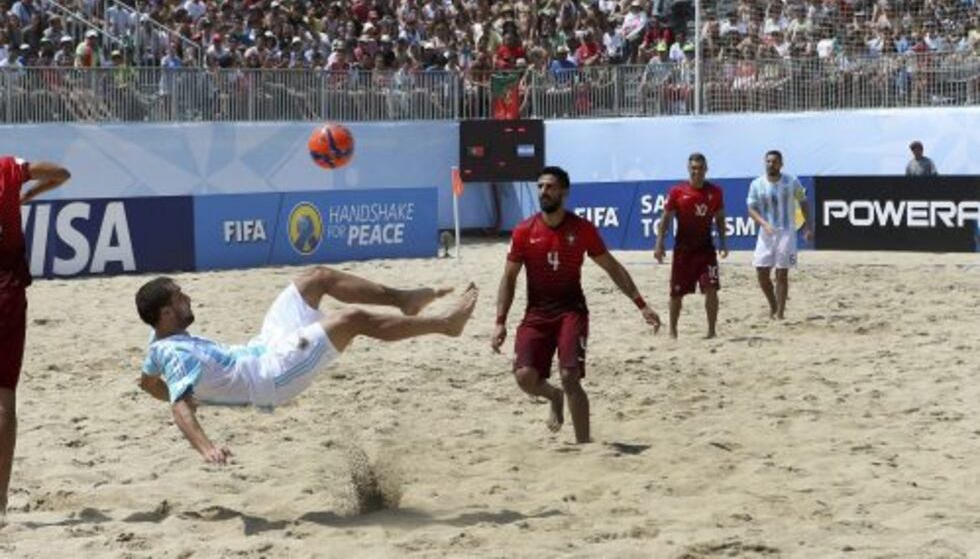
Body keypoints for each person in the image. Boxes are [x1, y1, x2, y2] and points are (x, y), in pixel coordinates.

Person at [136, 270, 478, 464]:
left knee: (317, 278)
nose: (188, 299)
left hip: (263, 344)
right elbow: (179, 407)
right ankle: (446, 324)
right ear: (166, 313)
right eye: (180, 297)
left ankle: (404, 297)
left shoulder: (158, 343)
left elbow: (148, 383)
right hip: (274, 372)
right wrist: (206, 447)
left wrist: (200, 396)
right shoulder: (177, 355)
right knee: (351, 318)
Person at [490, 166, 661, 444]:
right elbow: (509, 278)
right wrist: (500, 321)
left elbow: (612, 267)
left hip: (571, 311)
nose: (544, 192)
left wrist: (641, 304)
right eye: (541, 187)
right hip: (537, 313)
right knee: (524, 377)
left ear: (564, 192)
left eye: (550, 187)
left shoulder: (581, 229)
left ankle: (585, 446)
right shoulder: (524, 231)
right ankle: (553, 396)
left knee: (570, 375)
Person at [0, 156, 71, 517]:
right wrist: (28, 194)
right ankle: (0, 499)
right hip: (6, 293)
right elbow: (62, 174)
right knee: (4, 398)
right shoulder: (8, 168)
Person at [654, 153, 729, 339]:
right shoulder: (677, 191)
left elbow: (720, 218)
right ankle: (672, 331)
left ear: (706, 169)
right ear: (689, 169)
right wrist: (659, 243)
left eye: (700, 168)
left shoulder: (715, 192)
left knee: (711, 289)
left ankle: (712, 331)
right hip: (683, 252)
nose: (697, 172)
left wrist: (724, 241)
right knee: (676, 293)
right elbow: (666, 219)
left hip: (706, 250)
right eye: (693, 168)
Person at [746, 150, 812, 320]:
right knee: (761, 271)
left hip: (786, 231)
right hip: (766, 232)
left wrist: (808, 226)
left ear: (781, 164)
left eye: (774, 161)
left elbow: (803, 202)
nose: (771, 164)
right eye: (768, 161)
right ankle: (773, 304)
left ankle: (780, 312)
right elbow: (751, 208)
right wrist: (763, 223)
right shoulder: (757, 184)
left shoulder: (791, 181)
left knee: (782, 273)